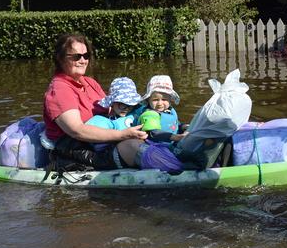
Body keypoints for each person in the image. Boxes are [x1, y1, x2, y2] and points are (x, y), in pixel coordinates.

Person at [42, 33, 147, 170]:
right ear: (60, 58)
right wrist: (123, 134)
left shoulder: (89, 82)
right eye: (76, 56)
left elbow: (112, 110)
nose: (83, 60)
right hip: (76, 149)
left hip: (103, 141)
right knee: (133, 147)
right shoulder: (60, 90)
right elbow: (77, 131)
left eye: (86, 56)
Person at [133, 75, 186, 142]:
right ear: (148, 100)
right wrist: (175, 137)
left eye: (164, 99)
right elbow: (153, 133)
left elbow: (174, 123)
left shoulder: (170, 111)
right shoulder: (150, 114)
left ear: (170, 100)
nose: (160, 104)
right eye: (155, 100)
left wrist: (184, 127)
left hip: (170, 143)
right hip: (155, 145)